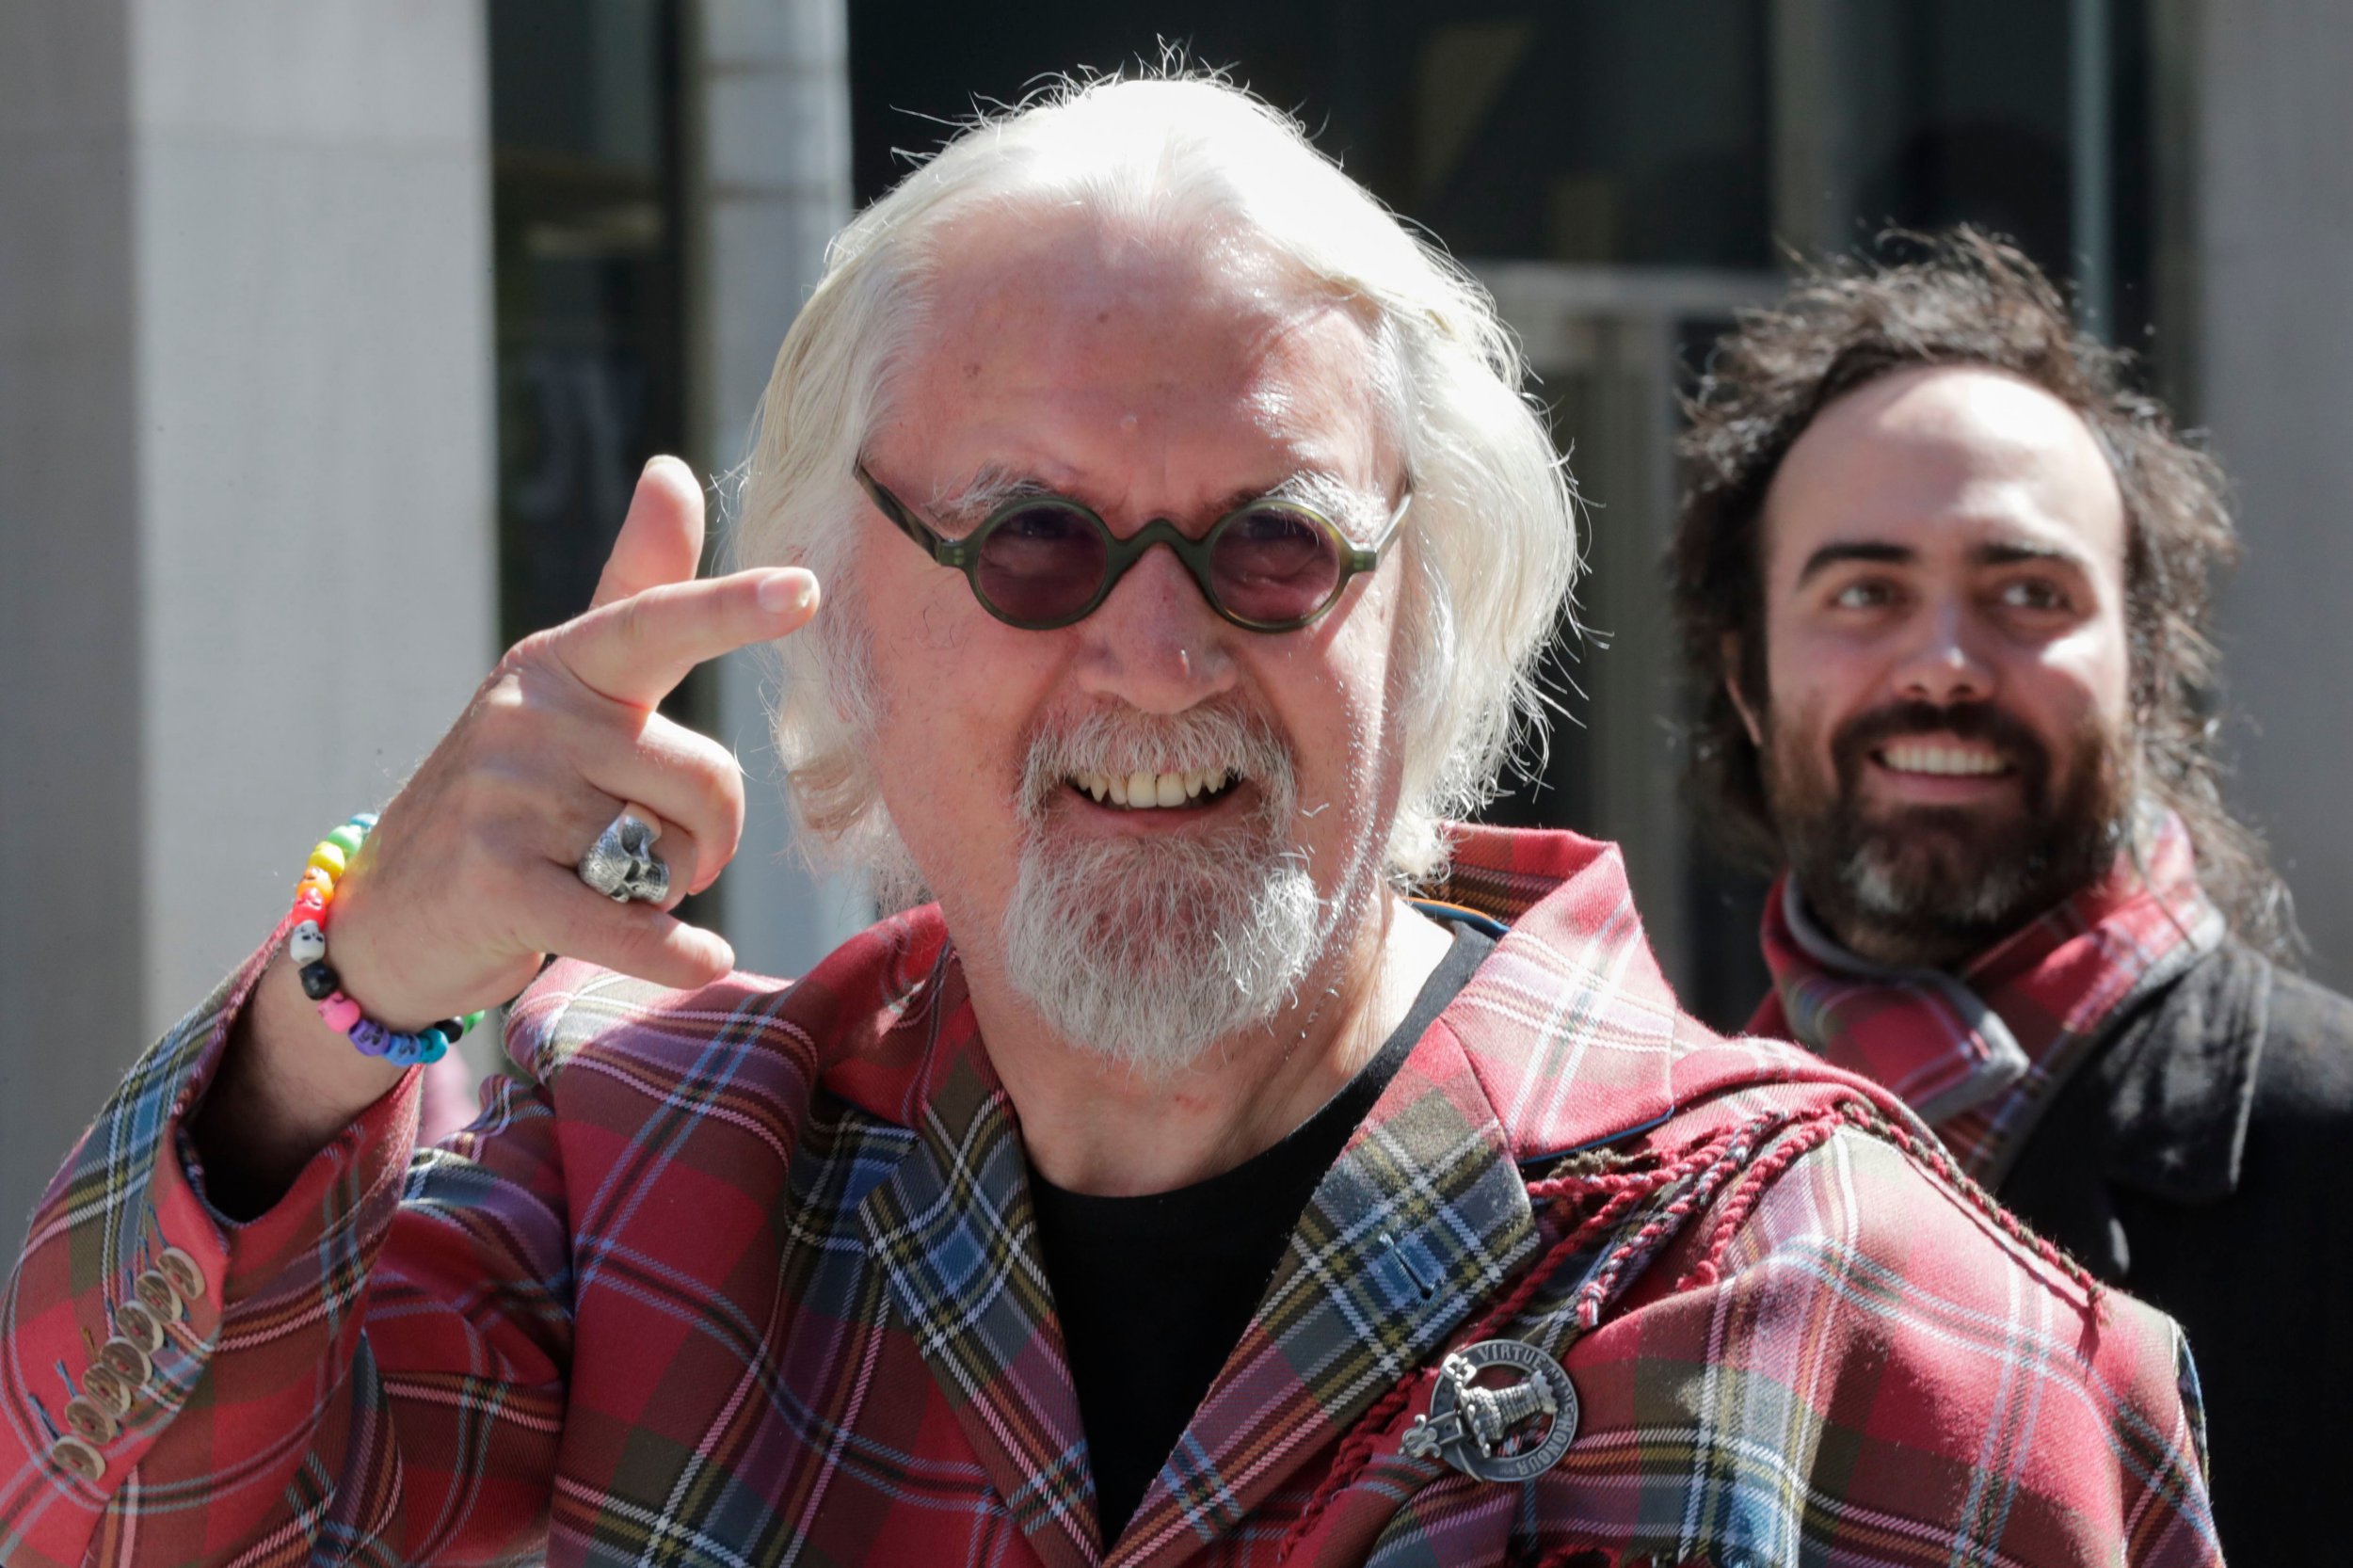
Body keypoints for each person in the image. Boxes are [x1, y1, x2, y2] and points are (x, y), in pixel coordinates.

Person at [1, 86, 2219, 1568]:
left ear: (1421, 606)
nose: (1155, 653)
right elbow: (108, 1513)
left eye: (1267, 543)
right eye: (1034, 540)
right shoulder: (608, 1191)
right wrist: (343, 997)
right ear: (838, 606)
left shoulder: (1886, 1325)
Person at [1673, 227, 2353, 1564]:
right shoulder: (1663, 1177)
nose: (1942, 664)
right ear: (1746, 679)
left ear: (2147, 673)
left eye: (2025, 592)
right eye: (1864, 591)